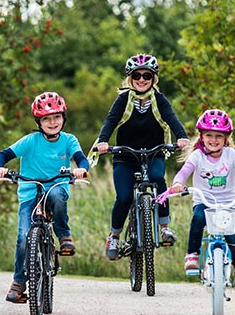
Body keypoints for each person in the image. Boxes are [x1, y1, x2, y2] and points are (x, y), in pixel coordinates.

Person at [89, 54, 190, 261]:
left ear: (153, 78)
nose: (142, 79)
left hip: (154, 153)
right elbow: (110, 121)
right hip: (125, 156)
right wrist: (103, 141)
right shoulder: (123, 100)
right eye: (137, 75)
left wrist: (182, 137)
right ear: (130, 78)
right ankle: (114, 236)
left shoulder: (159, 100)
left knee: (158, 179)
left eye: (147, 75)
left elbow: (171, 118)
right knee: (124, 197)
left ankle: (164, 228)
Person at [0, 92, 89, 303]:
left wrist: (81, 169)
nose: (52, 122)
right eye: (46, 118)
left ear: (63, 118)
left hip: (57, 189)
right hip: (29, 194)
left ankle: (64, 236)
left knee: (56, 194)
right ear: (39, 121)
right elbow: (4, 155)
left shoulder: (69, 140)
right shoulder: (30, 141)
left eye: (56, 117)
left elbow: (82, 159)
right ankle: (19, 282)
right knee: (23, 236)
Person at [156, 109, 235, 292]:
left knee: (233, 237)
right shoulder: (197, 156)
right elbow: (184, 172)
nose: (213, 140)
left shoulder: (232, 155)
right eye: (209, 135)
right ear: (201, 136)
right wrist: (177, 183)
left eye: (218, 136)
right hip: (204, 200)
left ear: (226, 138)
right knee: (198, 218)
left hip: (228, 204)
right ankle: (192, 255)